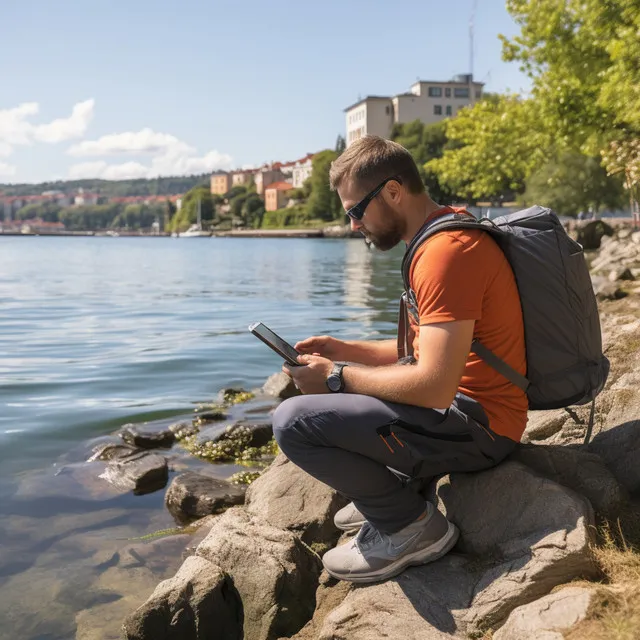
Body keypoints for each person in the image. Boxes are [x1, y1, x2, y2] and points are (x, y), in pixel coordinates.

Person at [272, 135, 527, 584]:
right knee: (321, 408)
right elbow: (425, 351)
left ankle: (410, 526)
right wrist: (343, 350)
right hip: (468, 411)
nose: (353, 225)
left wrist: (336, 378)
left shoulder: (445, 254)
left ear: (392, 192)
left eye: (355, 210)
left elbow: (433, 385)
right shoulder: (441, 234)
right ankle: (392, 494)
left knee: (293, 422)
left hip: (481, 426)